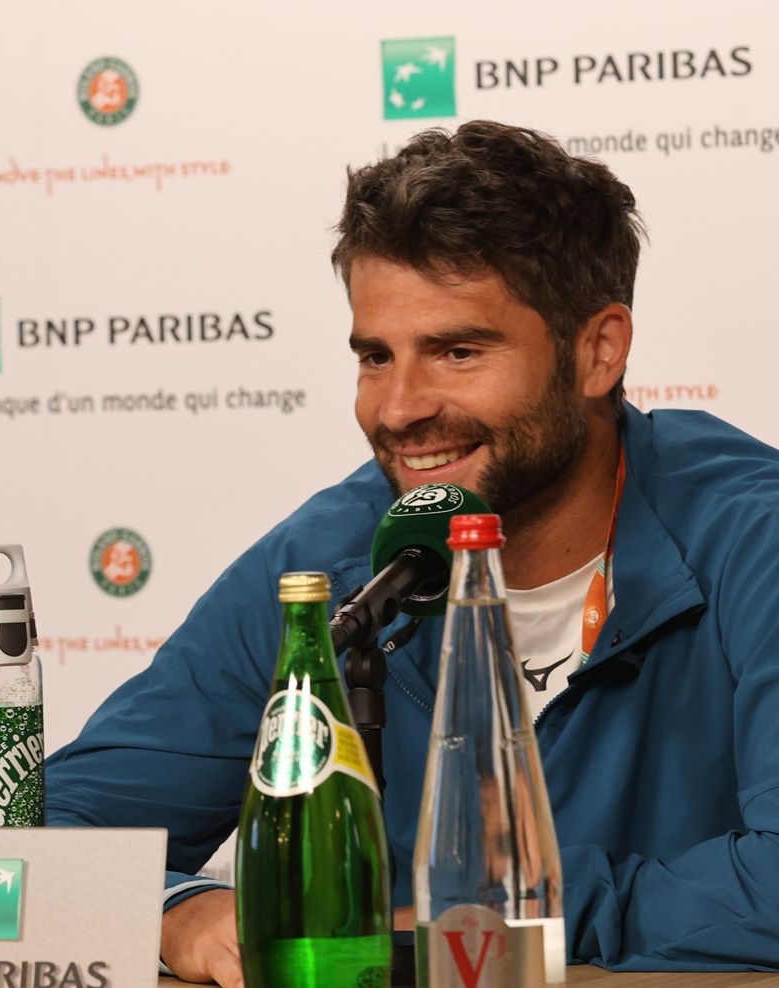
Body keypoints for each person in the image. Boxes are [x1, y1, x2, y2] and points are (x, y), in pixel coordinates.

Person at [46, 120, 779, 981]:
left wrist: (500, 913)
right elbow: (57, 828)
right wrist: (179, 910)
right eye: (374, 357)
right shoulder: (331, 557)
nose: (397, 409)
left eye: (457, 352)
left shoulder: (751, 536)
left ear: (597, 351)